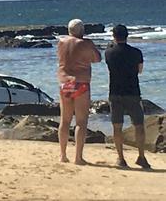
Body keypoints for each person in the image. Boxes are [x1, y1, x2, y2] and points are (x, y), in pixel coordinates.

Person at [105, 24, 151, 169]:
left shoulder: (109, 53)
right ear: (127, 35)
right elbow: (140, 71)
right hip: (132, 91)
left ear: (114, 36)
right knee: (139, 125)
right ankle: (141, 156)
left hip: (115, 92)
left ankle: (120, 158)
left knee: (117, 126)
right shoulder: (136, 52)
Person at [57, 19, 101, 165]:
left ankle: (62, 155)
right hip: (80, 83)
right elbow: (97, 58)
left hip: (64, 83)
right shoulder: (85, 43)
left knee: (65, 121)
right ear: (82, 31)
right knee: (81, 122)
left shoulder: (61, 42)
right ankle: (78, 157)